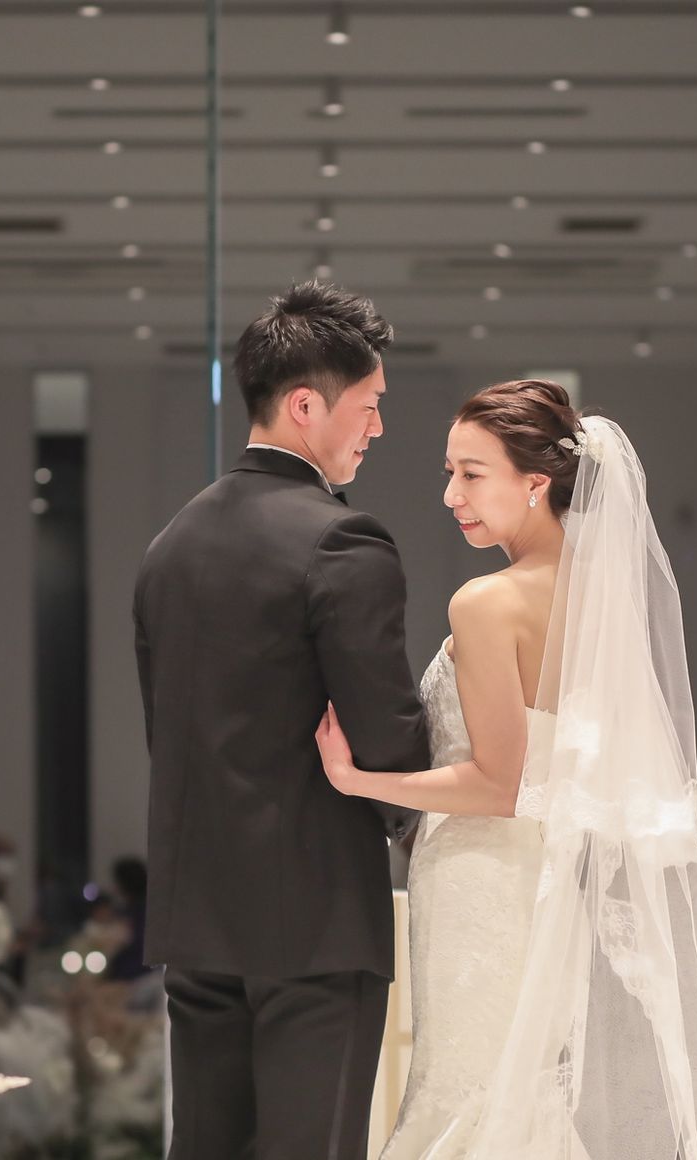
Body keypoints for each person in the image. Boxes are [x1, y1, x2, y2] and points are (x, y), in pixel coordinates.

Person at [316, 379, 697, 1158]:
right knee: (523, 1088)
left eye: (472, 474)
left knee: (469, 1092)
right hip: (548, 880)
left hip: (480, 877)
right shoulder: (600, 597)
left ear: (536, 482)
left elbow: (498, 784)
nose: (450, 495)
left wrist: (357, 780)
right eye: (450, 472)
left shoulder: (487, 602)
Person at [134, 280, 430, 1160]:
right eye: (369, 406)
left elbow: (167, 734)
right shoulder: (342, 540)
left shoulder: (169, 546)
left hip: (196, 918)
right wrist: (428, 818)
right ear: (307, 406)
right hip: (315, 918)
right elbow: (386, 738)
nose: (378, 427)